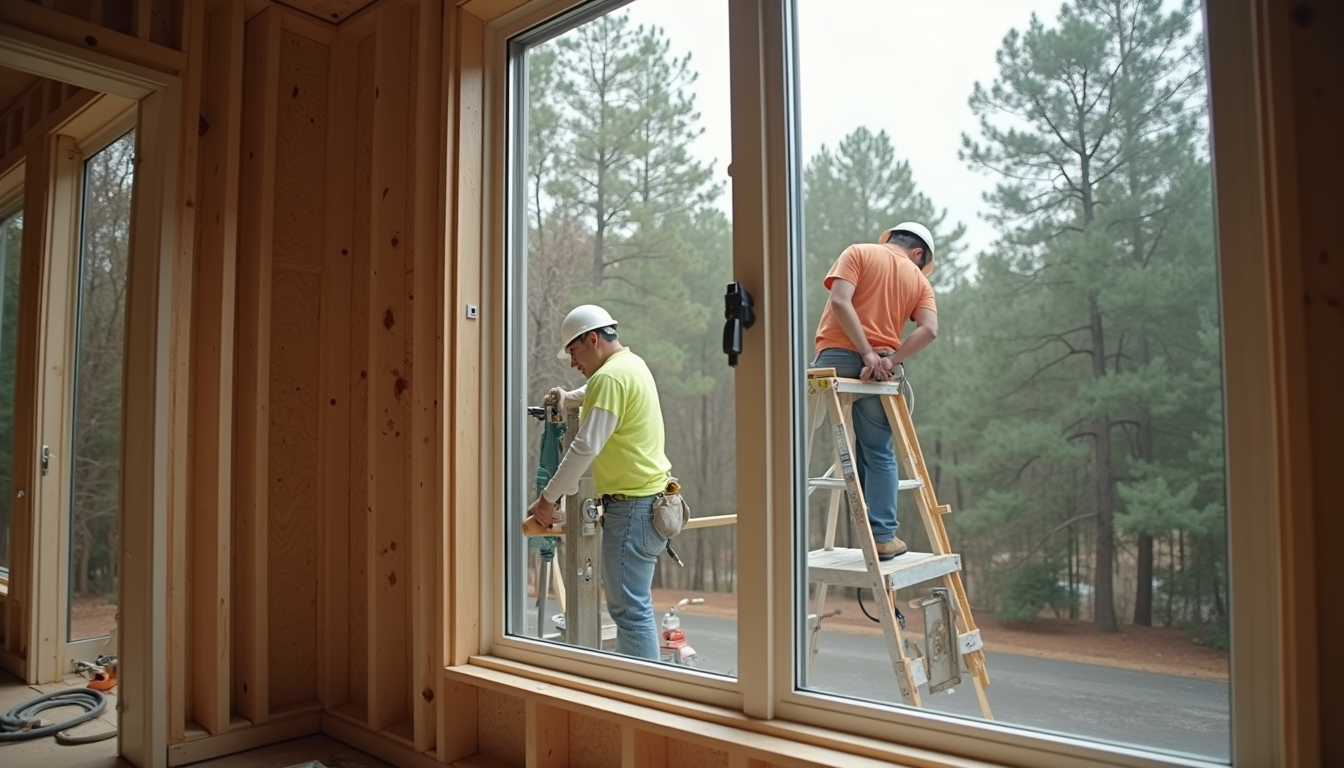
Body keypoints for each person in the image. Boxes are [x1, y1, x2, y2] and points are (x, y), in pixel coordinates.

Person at [527, 304, 673, 660]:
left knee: (630, 612)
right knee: (634, 608)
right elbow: (597, 393)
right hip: (648, 503)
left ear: (593, 339)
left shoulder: (610, 378)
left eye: (574, 352)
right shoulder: (630, 366)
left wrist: (548, 499)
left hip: (633, 509)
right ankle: (641, 693)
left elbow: (585, 446)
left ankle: (641, 699)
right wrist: (568, 396)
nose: (573, 362)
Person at [811, 221, 940, 560]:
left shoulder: (858, 252)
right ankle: (883, 537)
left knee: (803, 436)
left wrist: (864, 352)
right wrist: (886, 358)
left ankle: (779, 520)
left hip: (835, 358)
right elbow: (929, 330)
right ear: (917, 253)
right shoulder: (919, 281)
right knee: (878, 450)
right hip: (878, 370)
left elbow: (840, 301)